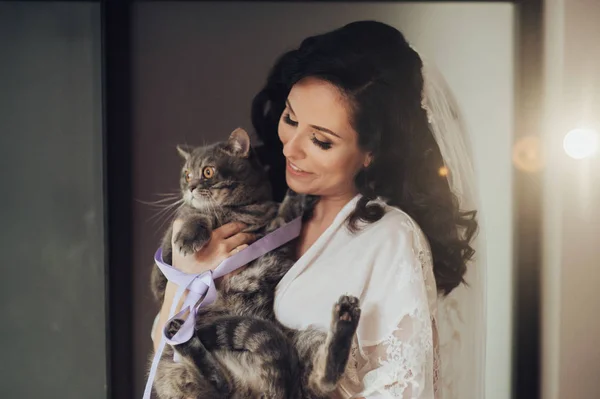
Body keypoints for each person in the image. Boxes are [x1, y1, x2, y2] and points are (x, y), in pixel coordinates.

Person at [152, 20, 486, 399]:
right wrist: (184, 277)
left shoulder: (390, 239)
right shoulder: (270, 208)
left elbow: (402, 389)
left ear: (370, 152)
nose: (291, 149)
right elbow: (169, 346)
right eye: (290, 119)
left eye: (321, 141)